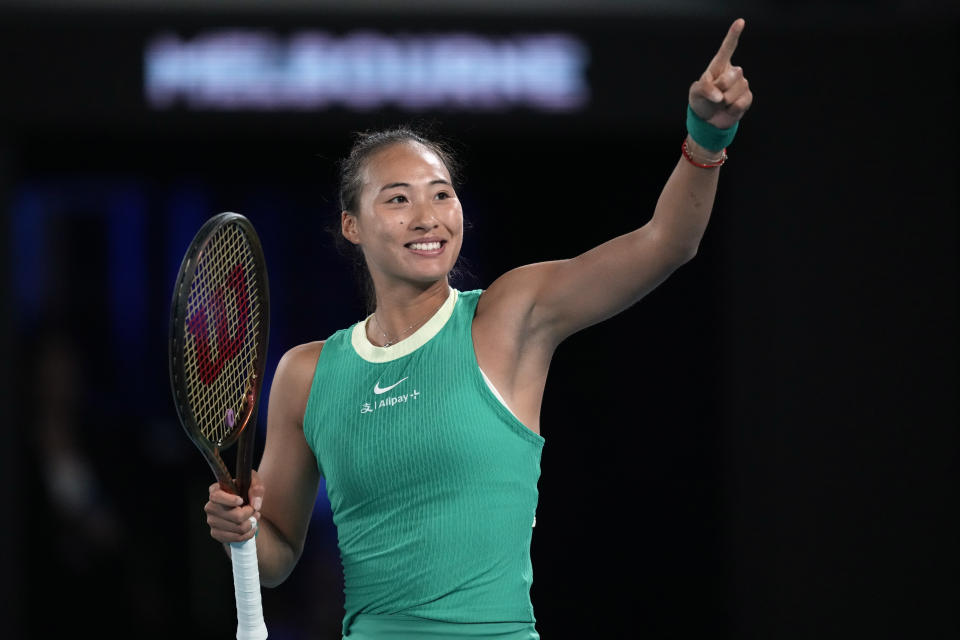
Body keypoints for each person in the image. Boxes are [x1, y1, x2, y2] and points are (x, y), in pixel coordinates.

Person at [204, 18, 753, 640]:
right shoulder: (306, 375)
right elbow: (275, 557)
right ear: (351, 225)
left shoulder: (510, 316)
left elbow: (666, 243)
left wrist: (706, 136)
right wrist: (241, 534)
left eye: (442, 194)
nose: (428, 217)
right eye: (398, 199)